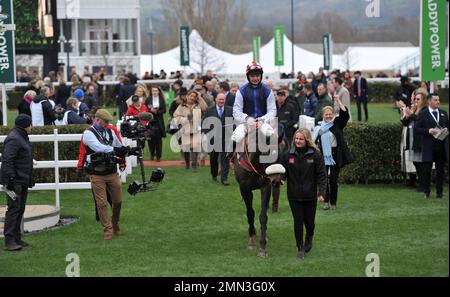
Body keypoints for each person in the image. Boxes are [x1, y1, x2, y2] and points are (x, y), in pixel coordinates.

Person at [82, 109, 130, 240]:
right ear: (97, 119)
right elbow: (98, 147)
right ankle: (107, 229)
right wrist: (116, 150)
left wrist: (126, 151)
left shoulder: (109, 132)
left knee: (118, 201)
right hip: (96, 174)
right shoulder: (88, 133)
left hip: (112, 172)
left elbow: (119, 145)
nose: (107, 124)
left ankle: (115, 223)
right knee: (102, 203)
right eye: (105, 121)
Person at [279, 128, 327, 259]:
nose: (298, 141)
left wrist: (322, 193)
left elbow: (322, 175)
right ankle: (300, 247)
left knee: (310, 223)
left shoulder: (315, 155)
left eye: (301, 139)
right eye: (296, 139)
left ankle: (309, 237)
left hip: (310, 195)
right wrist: (281, 180)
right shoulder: (287, 154)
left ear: (307, 140)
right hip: (294, 195)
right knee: (298, 221)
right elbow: (283, 171)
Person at [1, 114, 34, 251]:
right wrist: (12, 180)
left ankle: (16, 237)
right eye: (31, 124)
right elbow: (7, 160)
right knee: (14, 209)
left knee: (19, 209)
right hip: (15, 182)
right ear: (26, 125)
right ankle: (9, 241)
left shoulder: (20, 137)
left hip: (21, 180)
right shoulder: (15, 138)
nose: (32, 127)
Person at [312, 96, 352, 210]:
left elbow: (345, 114)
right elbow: (312, 141)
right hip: (323, 156)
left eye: (330, 114)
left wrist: (339, 100)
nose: (328, 116)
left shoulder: (337, 123)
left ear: (333, 114)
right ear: (323, 116)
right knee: (324, 179)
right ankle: (326, 201)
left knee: (333, 180)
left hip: (336, 155)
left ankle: (333, 202)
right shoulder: (319, 128)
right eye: (326, 114)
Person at [232, 62, 277, 143]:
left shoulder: (268, 91)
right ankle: (228, 155)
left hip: (263, 123)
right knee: (235, 138)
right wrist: (247, 118)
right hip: (245, 123)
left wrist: (262, 120)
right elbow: (236, 111)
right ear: (248, 77)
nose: (255, 78)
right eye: (252, 76)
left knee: (271, 135)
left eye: (257, 75)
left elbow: (272, 110)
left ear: (261, 76)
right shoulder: (241, 91)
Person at [415, 93, 449, 199]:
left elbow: (448, 126)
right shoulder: (423, 114)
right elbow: (417, 128)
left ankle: (439, 193)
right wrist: (428, 130)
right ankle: (426, 192)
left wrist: (447, 129)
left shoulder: (444, 113)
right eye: (435, 100)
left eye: (438, 100)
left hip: (441, 146)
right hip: (428, 146)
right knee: (426, 171)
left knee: (440, 171)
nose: (438, 102)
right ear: (429, 101)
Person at [399, 91, 427, 192]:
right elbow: (405, 123)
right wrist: (406, 114)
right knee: (416, 162)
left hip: (420, 140)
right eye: (415, 99)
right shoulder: (414, 109)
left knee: (421, 164)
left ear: (423, 101)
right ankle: (422, 184)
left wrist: (412, 115)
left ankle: (423, 185)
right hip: (411, 140)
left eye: (418, 99)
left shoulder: (425, 110)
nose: (416, 101)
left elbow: (422, 121)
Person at [203, 93, 233, 185]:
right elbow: (204, 123)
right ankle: (214, 175)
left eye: (223, 99)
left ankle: (224, 179)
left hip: (226, 139)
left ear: (225, 100)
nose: (221, 101)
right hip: (213, 139)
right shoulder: (209, 110)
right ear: (215, 100)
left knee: (225, 159)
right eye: (219, 99)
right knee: (213, 158)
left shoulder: (230, 110)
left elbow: (234, 123)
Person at [173, 90, 206, 171]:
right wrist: (186, 119)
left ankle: (194, 165)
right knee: (186, 148)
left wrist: (200, 97)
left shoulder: (198, 105)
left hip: (196, 129)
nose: (192, 98)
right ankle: (187, 164)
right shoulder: (181, 106)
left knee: (195, 147)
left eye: (194, 96)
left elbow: (205, 108)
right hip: (186, 129)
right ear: (187, 96)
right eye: (191, 96)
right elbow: (176, 117)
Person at [145, 86, 167, 161]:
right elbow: (145, 108)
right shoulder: (148, 99)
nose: (154, 92)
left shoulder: (161, 99)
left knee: (158, 140)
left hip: (159, 121)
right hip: (150, 121)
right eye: (153, 91)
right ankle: (152, 154)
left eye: (156, 91)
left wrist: (157, 111)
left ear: (158, 91)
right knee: (150, 139)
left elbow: (164, 110)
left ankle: (158, 156)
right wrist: (150, 110)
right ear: (151, 92)